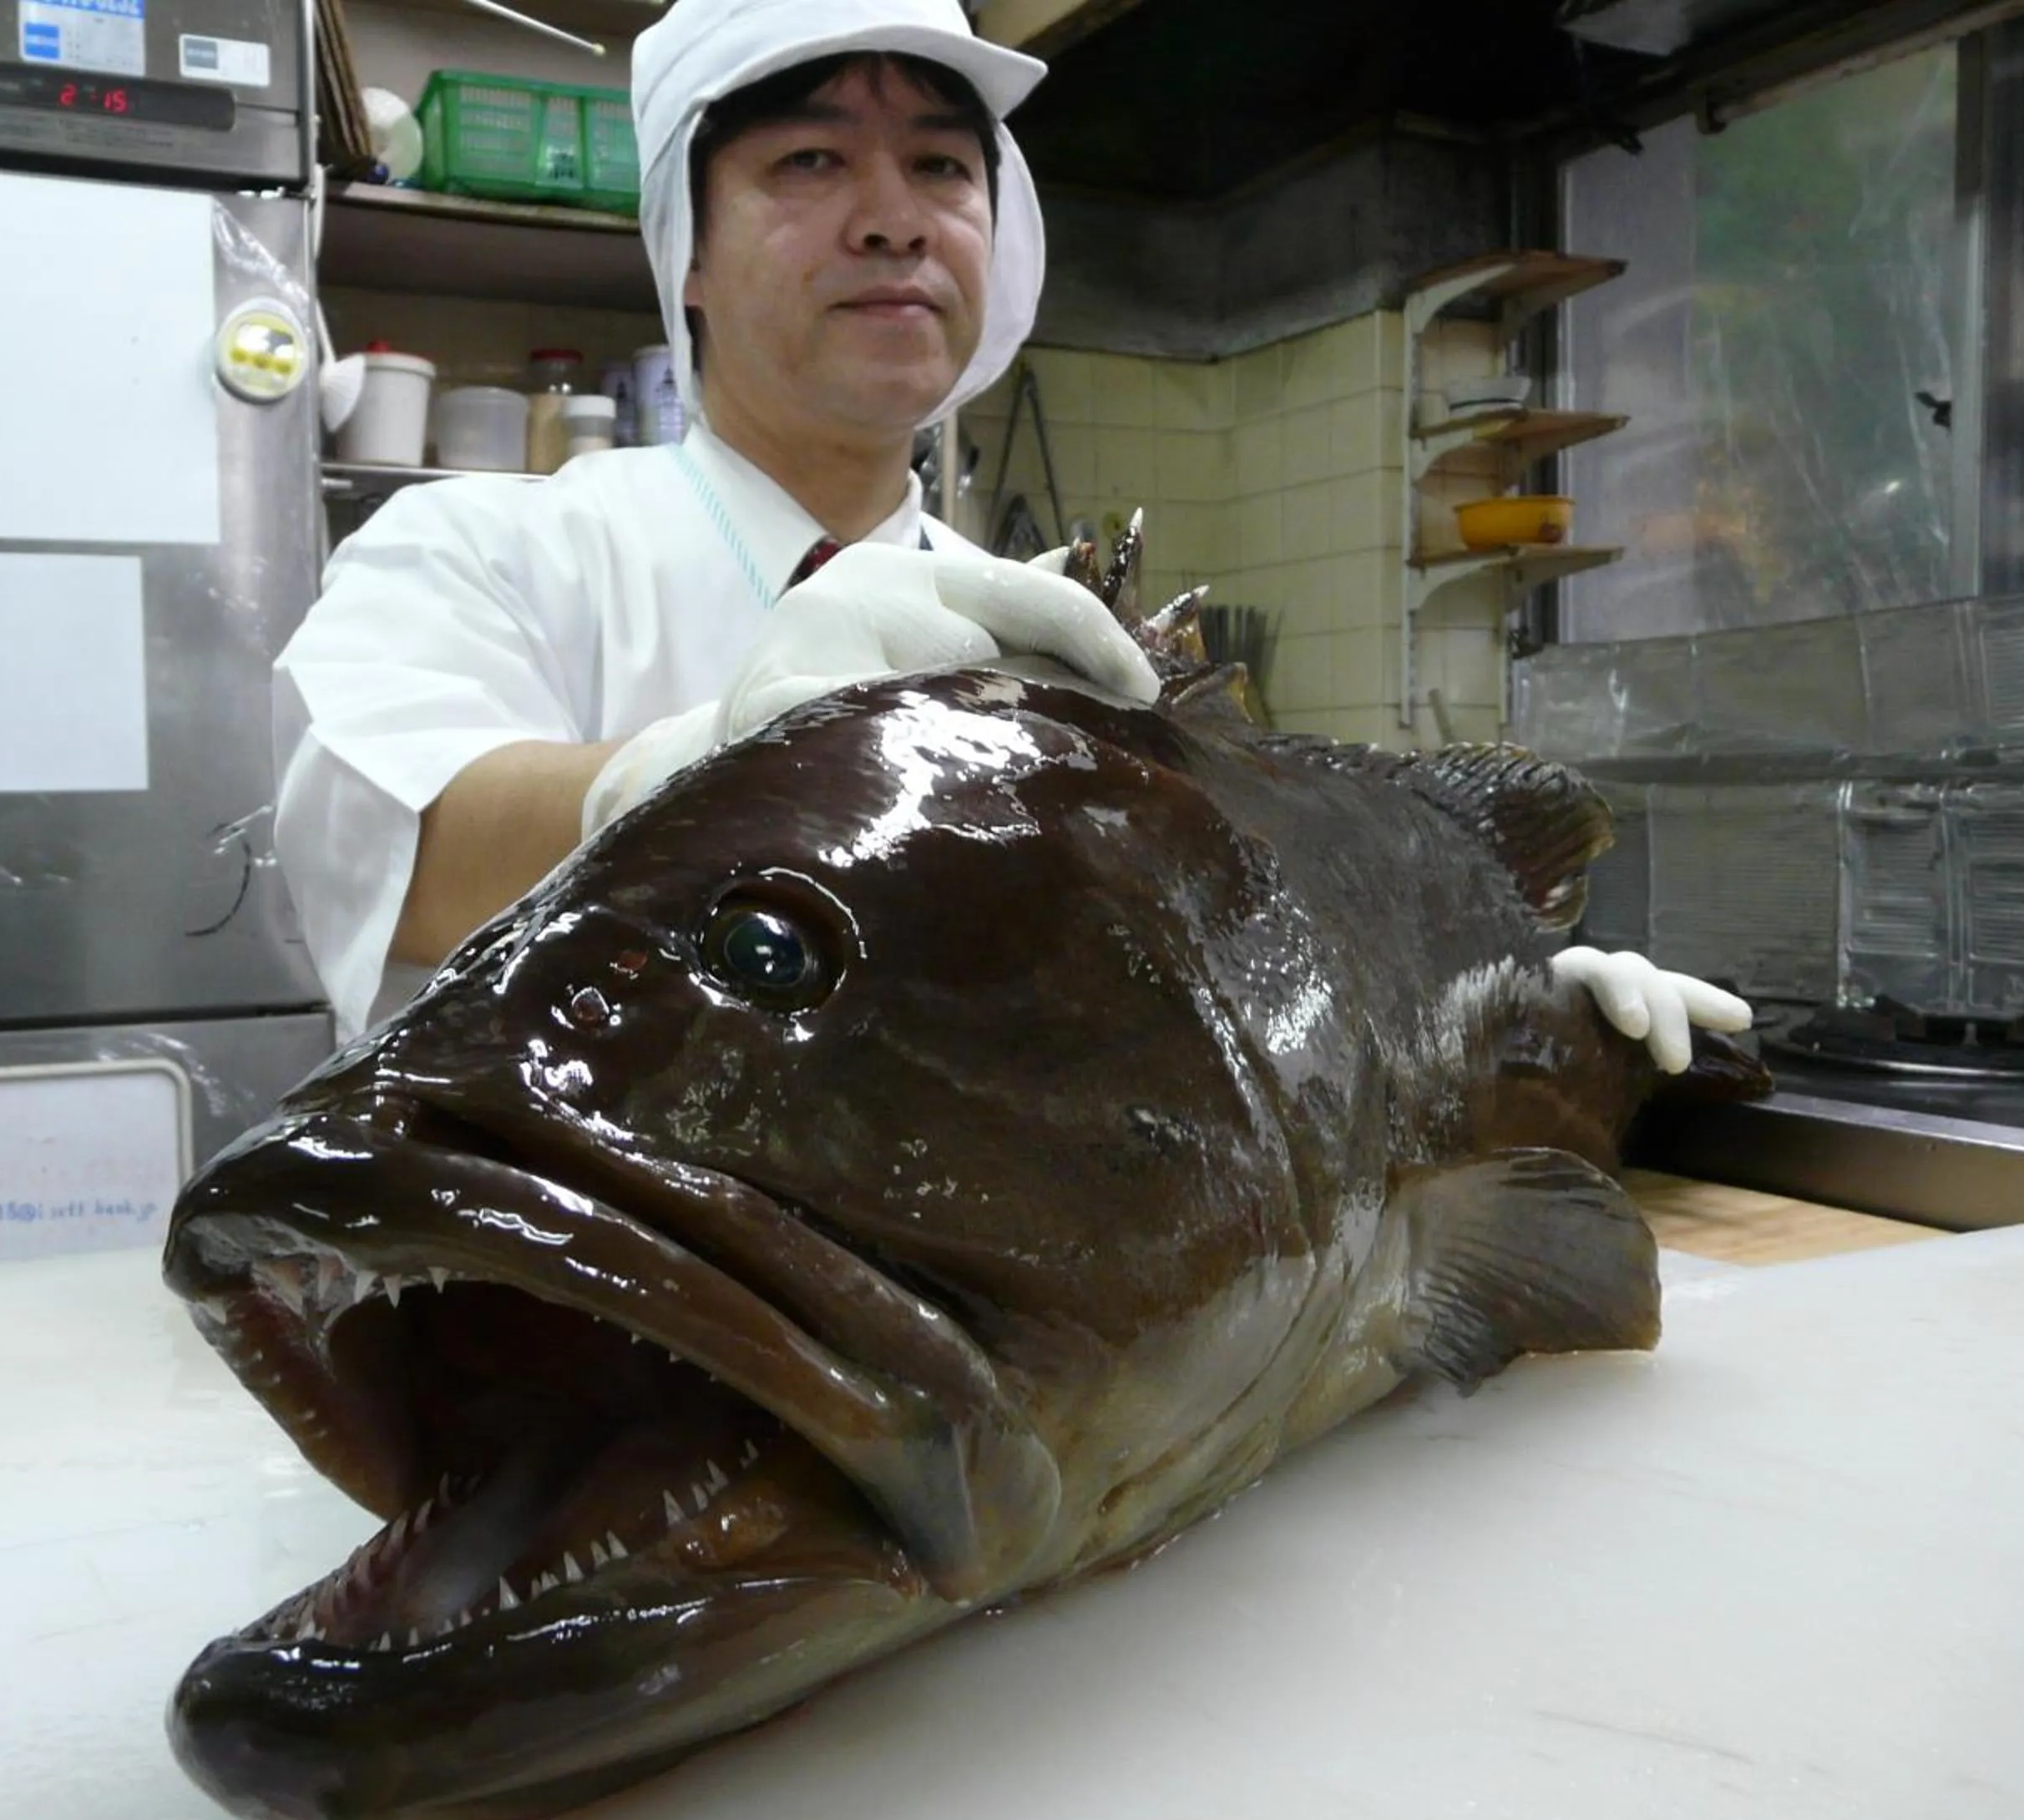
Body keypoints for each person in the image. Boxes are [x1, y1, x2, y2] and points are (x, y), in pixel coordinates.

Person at [270, 0, 1749, 1075]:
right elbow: (381, 839)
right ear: (690, 257)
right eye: (809, 164)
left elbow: (1200, 983)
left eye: (941, 167)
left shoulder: (1057, 642)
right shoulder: (485, 546)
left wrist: (1478, 1007)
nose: (892, 220)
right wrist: (705, 754)